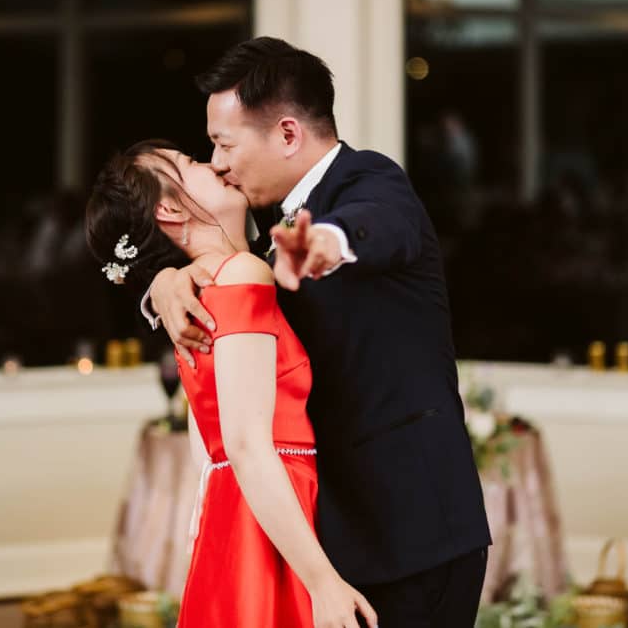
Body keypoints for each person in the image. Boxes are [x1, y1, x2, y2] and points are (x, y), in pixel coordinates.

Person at [145, 37, 491, 627]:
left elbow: (369, 228)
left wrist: (321, 245)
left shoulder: (375, 183)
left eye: (223, 143)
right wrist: (163, 282)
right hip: (334, 535)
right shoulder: (259, 238)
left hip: (413, 531)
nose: (218, 162)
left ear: (286, 134)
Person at [86, 141, 377, 628]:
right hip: (274, 503)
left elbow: (209, 454)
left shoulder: (190, 297)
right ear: (169, 208)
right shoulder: (242, 274)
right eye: (186, 164)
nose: (208, 162)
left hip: (236, 509)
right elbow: (244, 445)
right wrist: (322, 581)